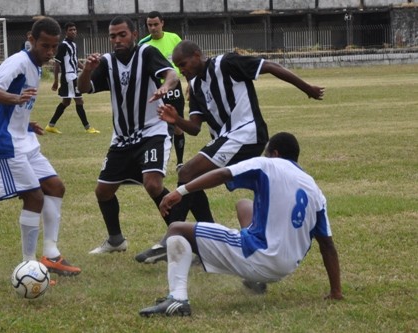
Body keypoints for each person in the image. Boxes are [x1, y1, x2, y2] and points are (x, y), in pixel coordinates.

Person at [136, 40, 326, 264]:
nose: (182, 70)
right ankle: (207, 243)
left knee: (187, 173)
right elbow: (195, 128)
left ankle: (171, 238)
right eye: (178, 66)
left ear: (197, 55)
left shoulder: (227, 63)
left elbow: (271, 66)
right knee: (193, 177)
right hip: (228, 139)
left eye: (184, 64)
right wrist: (176, 119)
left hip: (247, 133)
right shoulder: (196, 86)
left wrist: (307, 89)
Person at [139, 132, 343, 317]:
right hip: (285, 267)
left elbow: (223, 174)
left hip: (259, 257)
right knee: (244, 205)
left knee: (176, 229)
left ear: (275, 153)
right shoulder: (314, 190)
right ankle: (256, 282)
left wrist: (180, 191)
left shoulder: (268, 165)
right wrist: (336, 292)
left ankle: (177, 299)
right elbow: (328, 246)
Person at [0, 17, 81, 277]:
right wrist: (16, 98)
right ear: (31, 39)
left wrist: (26, 122)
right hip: (3, 142)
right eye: (44, 46)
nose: (49, 52)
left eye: (54, 47)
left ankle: (51, 255)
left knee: (55, 187)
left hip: (23, 138)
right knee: (34, 197)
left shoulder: (35, 66)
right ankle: (28, 267)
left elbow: (17, 106)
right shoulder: (18, 62)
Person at [77, 16, 181, 255]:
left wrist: (165, 86)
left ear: (134, 34)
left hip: (152, 131)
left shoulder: (146, 53)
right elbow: (83, 88)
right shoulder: (106, 62)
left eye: (122, 34)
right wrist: (87, 70)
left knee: (153, 184)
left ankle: (179, 237)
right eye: (113, 36)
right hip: (122, 138)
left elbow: (171, 75)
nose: (117, 40)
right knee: (103, 191)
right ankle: (116, 240)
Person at [139, 11, 185, 172]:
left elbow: (184, 62)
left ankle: (180, 162)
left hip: (175, 89)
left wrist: (192, 82)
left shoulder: (174, 39)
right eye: (149, 25)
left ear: (162, 23)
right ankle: (157, 162)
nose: (153, 28)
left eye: (155, 24)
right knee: (158, 127)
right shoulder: (143, 45)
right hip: (156, 91)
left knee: (177, 125)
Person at [45, 22, 99, 135]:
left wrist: (86, 69)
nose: (73, 31)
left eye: (74, 29)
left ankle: (50, 125)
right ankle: (88, 127)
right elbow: (57, 63)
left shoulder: (73, 45)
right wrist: (55, 81)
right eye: (71, 30)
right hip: (69, 77)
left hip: (74, 76)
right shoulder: (63, 45)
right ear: (66, 32)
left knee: (66, 102)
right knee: (79, 100)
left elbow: (75, 61)